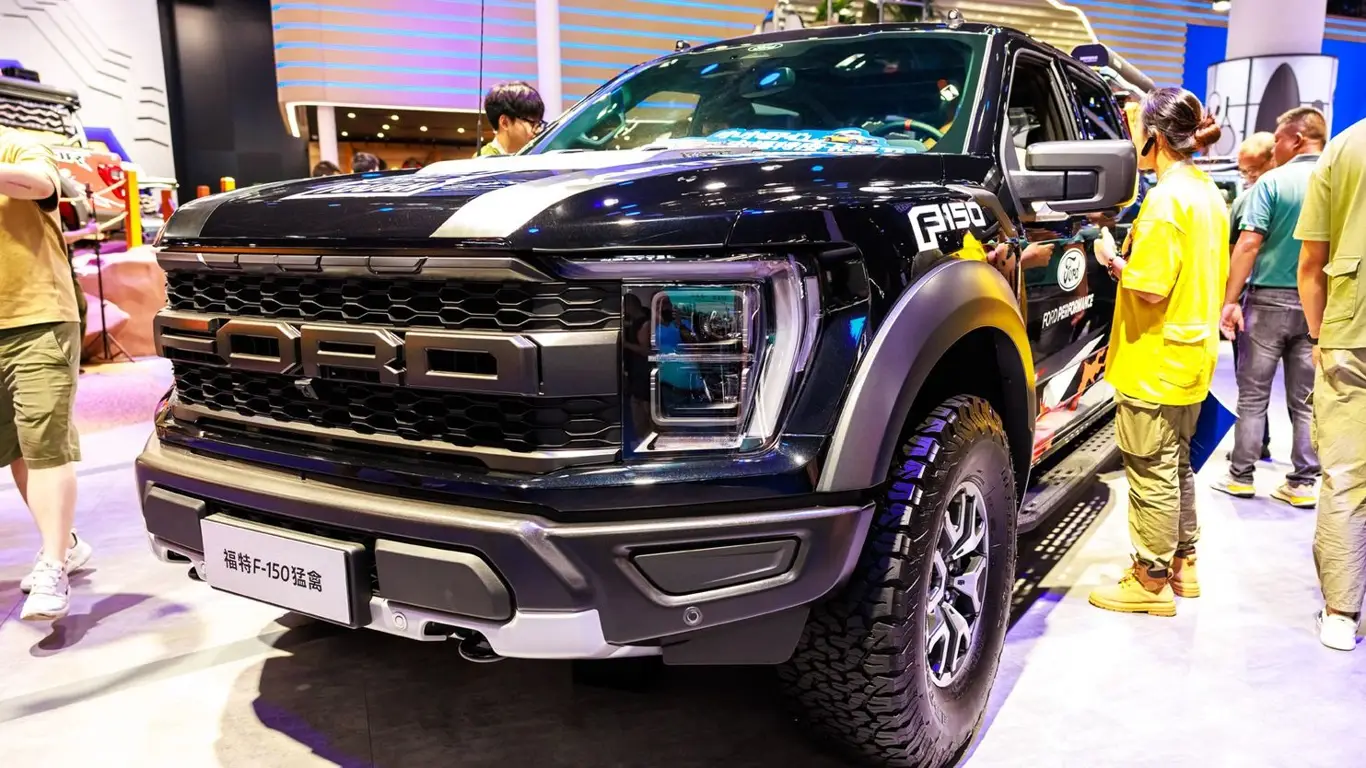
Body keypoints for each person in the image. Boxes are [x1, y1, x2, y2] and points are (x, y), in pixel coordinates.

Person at [1087, 88, 1228, 617]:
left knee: (1151, 469)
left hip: (1154, 359)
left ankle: (1149, 580)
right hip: (1190, 355)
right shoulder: (1206, 192)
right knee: (1177, 464)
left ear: (1155, 137)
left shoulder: (1166, 202)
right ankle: (1183, 564)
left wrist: (1110, 257)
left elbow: (1149, 288)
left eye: (1135, 130)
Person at [0, 125, 91, 621]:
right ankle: (67, 544)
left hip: (38, 318)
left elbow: (41, 184)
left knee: (43, 441)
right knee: (18, 445)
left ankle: (54, 563)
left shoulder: (17, 144)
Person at [1215, 109, 1327, 507]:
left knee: (1252, 395)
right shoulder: (1337, 179)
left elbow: (1248, 243)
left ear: (1296, 139)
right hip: (1319, 306)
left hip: (1266, 302)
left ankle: (1241, 476)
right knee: (1306, 399)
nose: (1274, 146)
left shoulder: (1272, 182)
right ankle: (1303, 483)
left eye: (1278, 139)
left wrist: (1230, 300)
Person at [1296, 116, 1366, 651]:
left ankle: (1341, 613)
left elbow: (1311, 264)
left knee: (1345, 477)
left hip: (1350, 330)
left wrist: (1320, 334)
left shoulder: (1345, 146)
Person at [1228, 132, 1278, 461]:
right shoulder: (1316, 189)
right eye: (1243, 171)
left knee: (1251, 385)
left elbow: (1237, 250)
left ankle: (1249, 456)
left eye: (1253, 170)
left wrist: (1228, 299)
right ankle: (1306, 469)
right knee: (1304, 391)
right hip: (1302, 300)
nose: (1248, 178)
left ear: (1274, 159)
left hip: (1253, 298)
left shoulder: (1250, 199)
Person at [477, 81, 545, 157]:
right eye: (532, 124)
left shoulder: (535, 154)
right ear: (504, 122)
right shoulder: (484, 160)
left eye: (539, 124)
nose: (538, 130)